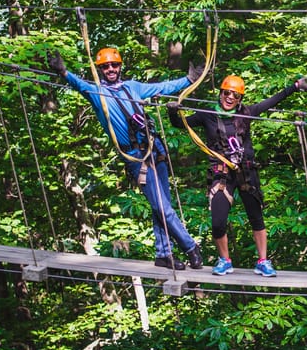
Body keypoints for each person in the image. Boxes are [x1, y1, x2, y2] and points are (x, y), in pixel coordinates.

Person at [47, 47, 203, 271]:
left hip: (154, 149)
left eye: (114, 65)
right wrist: (64, 73)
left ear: (120, 66)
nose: (110, 69)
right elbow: (79, 85)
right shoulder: (97, 93)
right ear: (100, 70)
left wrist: (188, 80)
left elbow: (162, 87)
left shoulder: (133, 87)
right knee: (161, 206)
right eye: (105, 66)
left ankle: (164, 253)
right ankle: (190, 248)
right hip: (135, 157)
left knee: (162, 207)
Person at [166, 74, 307, 277]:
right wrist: (173, 113)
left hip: (246, 172)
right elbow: (180, 124)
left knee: (256, 217)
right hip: (221, 174)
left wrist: (295, 86)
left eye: (235, 95)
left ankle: (263, 261)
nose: (229, 98)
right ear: (220, 93)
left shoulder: (247, 113)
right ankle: (224, 260)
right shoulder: (208, 114)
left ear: (240, 99)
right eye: (226, 93)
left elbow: (271, 101)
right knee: (218, 221)